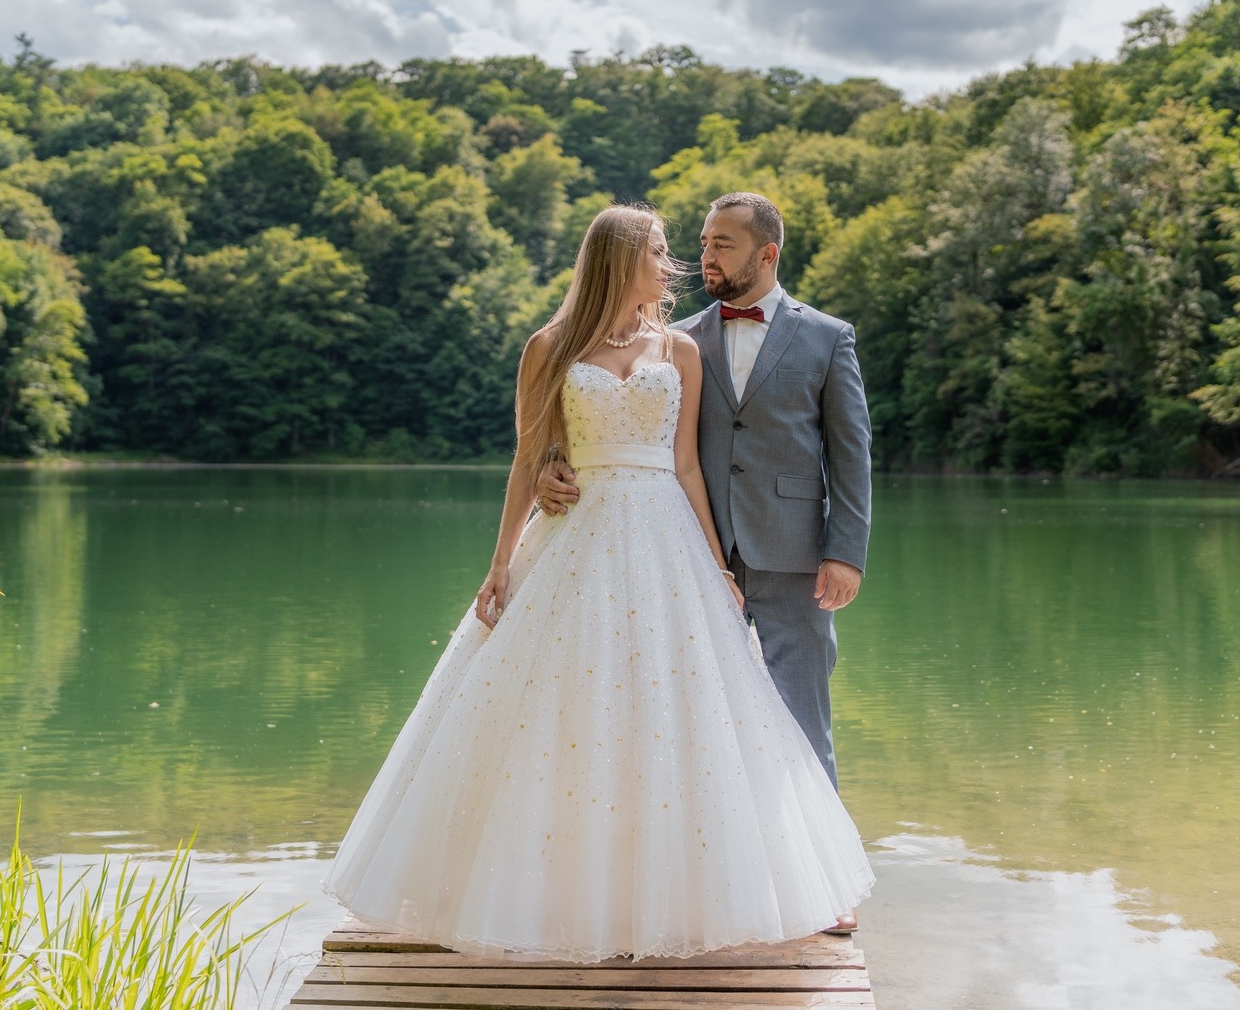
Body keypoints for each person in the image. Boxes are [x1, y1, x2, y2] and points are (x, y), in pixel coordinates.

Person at [324, 204, 872, 962]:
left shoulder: (690, 348)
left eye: (698, 248)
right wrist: (501, 561)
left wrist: (720, 565)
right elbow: (530, 456)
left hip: (686, 543)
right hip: (577, 538)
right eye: (661, 251)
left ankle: (752, 887)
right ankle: (544, 888)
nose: (675, 263)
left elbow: (688, 465)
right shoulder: (551, 347)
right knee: (564, 711)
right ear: (619, 259)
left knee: (706, 716)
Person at [538, 194, 871, 931]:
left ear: (767, 255)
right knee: (680, 722)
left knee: (798, 717)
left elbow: (851, 453)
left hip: (792, 558)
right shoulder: (670, 338)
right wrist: (546, 472)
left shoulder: (826, 337)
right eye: (700, 243)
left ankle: (824, 885)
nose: (703, 259)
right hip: (683, 556)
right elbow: (599, 431)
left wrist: (845, 550)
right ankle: (690, 878)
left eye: (721, 245)